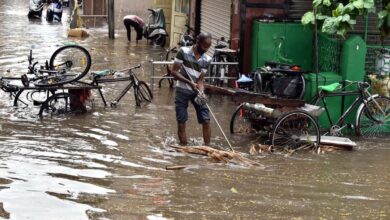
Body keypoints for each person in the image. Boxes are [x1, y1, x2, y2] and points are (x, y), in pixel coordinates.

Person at [171, 32, 213, 146]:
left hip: (196, 92)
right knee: (181, 122)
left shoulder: (207, 59)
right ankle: (184, 148)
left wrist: (202, 91)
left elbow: (200, 80)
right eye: (204, 47)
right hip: (182, 90)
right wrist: (189, 82)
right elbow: (174, 72)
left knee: (206, 120)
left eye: (208, 48)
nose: (206, 50)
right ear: (197, 43)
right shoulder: (183, 52)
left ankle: (207, 148)